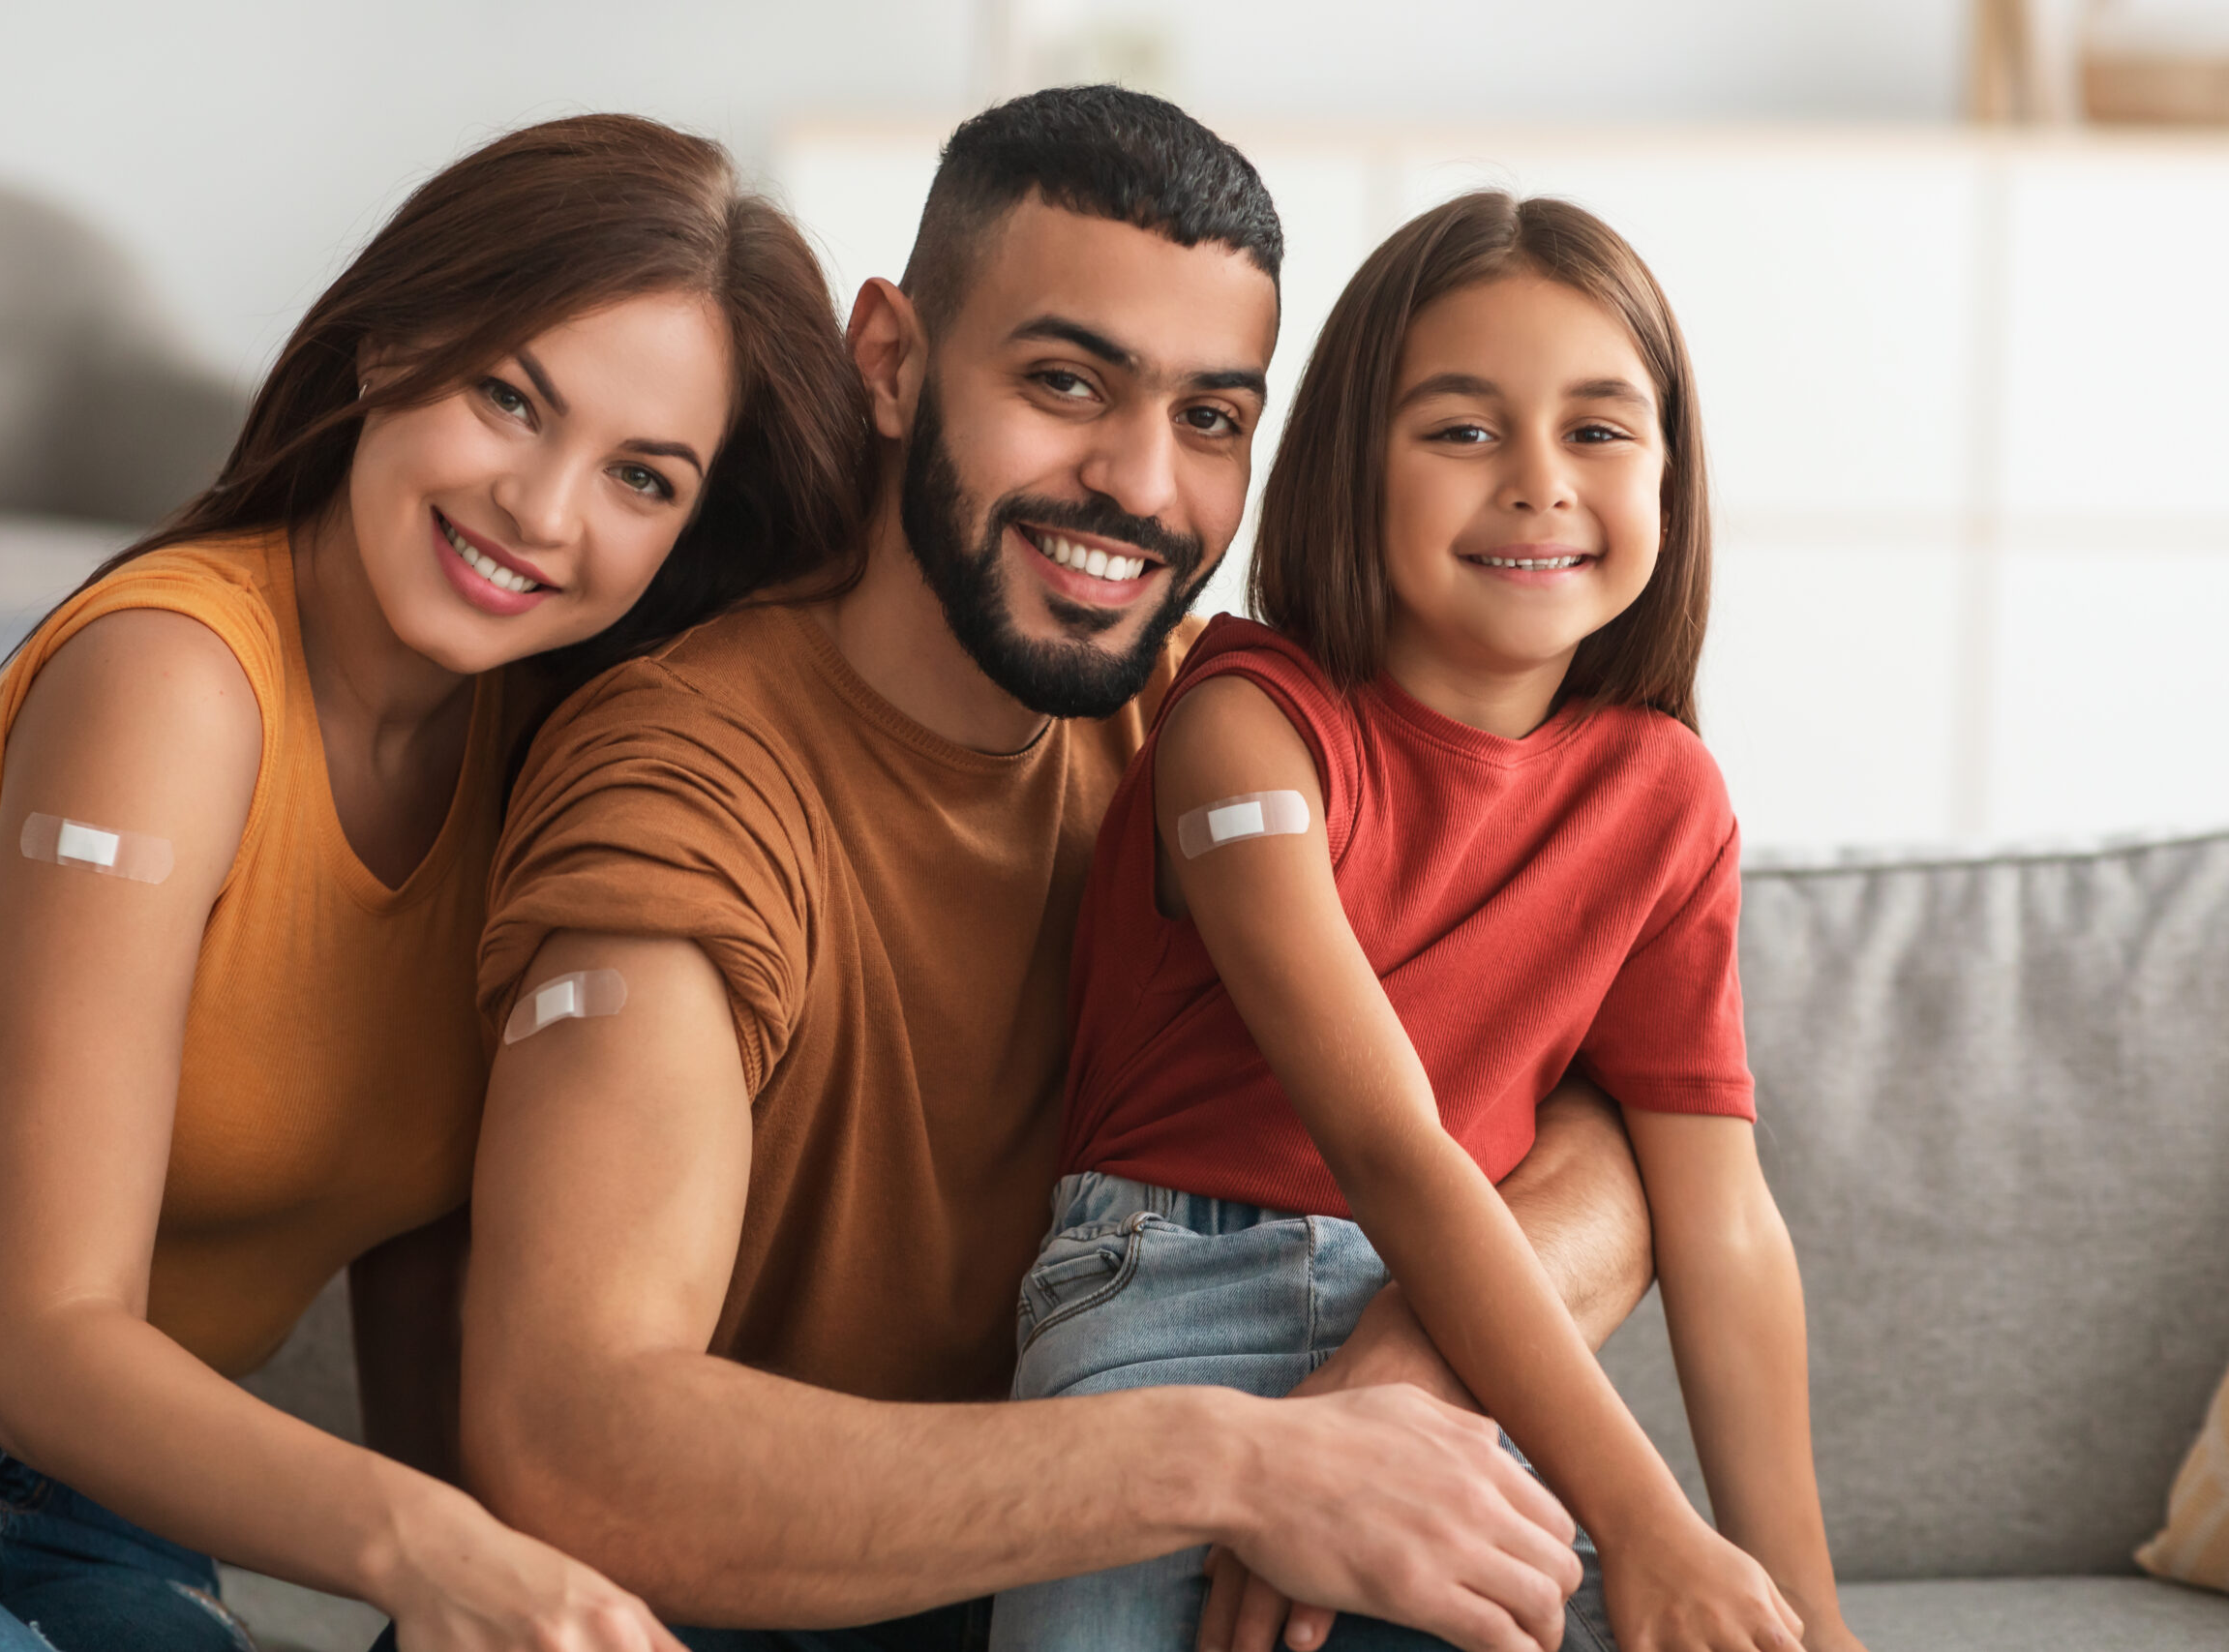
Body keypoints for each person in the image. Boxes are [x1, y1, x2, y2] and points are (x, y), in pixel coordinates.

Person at [458, 88, 1657, 1652]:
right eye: (1066, 382)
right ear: (890, 361)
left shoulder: (1211, 724)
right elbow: (573, 1444)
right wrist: (1236, 1462)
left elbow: (1616, 1148)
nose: (1143, 487)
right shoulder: (688, 786)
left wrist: (1405, 1364)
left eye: (1212, 418)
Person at [0, 114, 866, 1652]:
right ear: (388, 342)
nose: (543, 512)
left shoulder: (549, 775)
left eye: (642, 477)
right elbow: (53, 1347)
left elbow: (427, 1279)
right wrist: (431, 1549)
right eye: (508, 397)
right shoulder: (173, 679)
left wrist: (515, 1590)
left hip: (104, 1491)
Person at [990, 192, 1867, 1652]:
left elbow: (1720, 1223)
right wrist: (1648, 1522)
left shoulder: (1665, 799)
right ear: (1348, 465)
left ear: (1672, 473)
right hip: (1166, 1313)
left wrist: (1805, 1616)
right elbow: (1390, 1144)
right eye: (1462, 430)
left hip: (1470, 1349)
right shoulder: (1247, 722)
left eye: (1599, 430)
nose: (1539, 485)